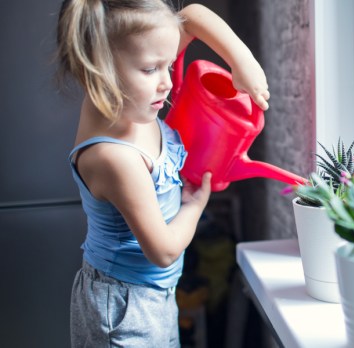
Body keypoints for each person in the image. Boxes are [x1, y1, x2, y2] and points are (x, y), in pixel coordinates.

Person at [56, 0, 269, 346]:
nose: (167, 83)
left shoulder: (128, 97)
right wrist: (197, 204)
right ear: (99, 69)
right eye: (151, 69)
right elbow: (165, 250)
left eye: (168, 65)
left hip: (155, 294)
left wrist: (243, 63)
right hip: (124, 308)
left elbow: (192, 16)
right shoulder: (116, 157)